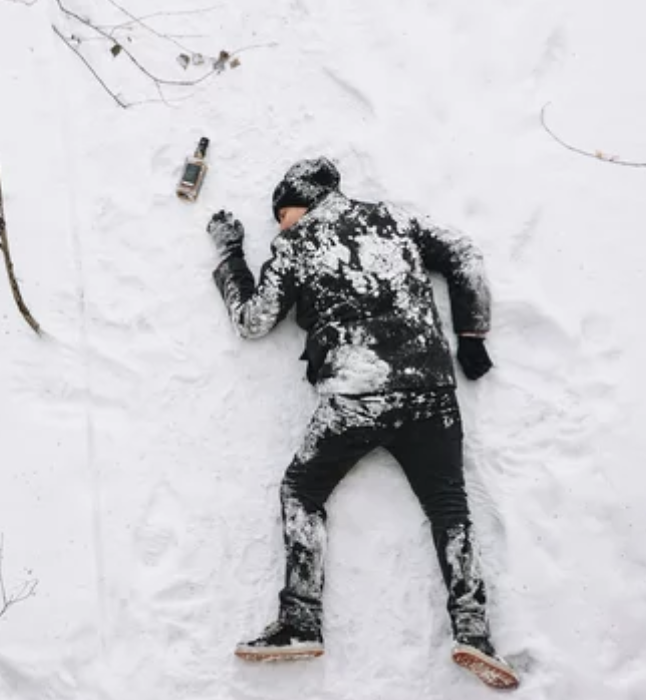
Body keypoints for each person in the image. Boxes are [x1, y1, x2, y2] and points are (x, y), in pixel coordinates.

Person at [206, 158, 519, 690]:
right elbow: (464, 253)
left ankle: (299, 619)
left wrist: (231, 253)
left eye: (281, 213)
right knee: (449, 507)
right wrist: (471, 334)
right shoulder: (396, 219)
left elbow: (253, 320)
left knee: (301, 490)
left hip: (358, 397)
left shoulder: (296, 243)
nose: (280, 224)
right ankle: (474, 632)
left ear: (297, 204)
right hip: (432, 392)